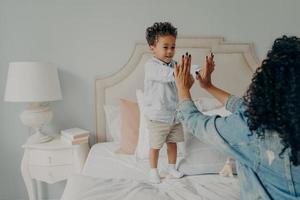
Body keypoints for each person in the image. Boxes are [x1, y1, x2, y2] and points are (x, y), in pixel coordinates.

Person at [174, 36, 300, 199]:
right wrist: (208, 87)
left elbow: (199, 124)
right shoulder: (282, 119)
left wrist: (182, 89)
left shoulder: (254, 131)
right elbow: (246, 108)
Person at [144, 22, 184, 184]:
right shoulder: (151, 66)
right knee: (156, 145)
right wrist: (186, 71)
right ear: (152, 47)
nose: (170, 51)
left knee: (172, 143)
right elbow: (168, 75)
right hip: (157, 116)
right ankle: (153, 170)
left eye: (173, 47)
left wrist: (193, 73)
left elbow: (181, 79)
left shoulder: (174, 65)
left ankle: (171, 167)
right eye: (165, 47)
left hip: (174, 115)